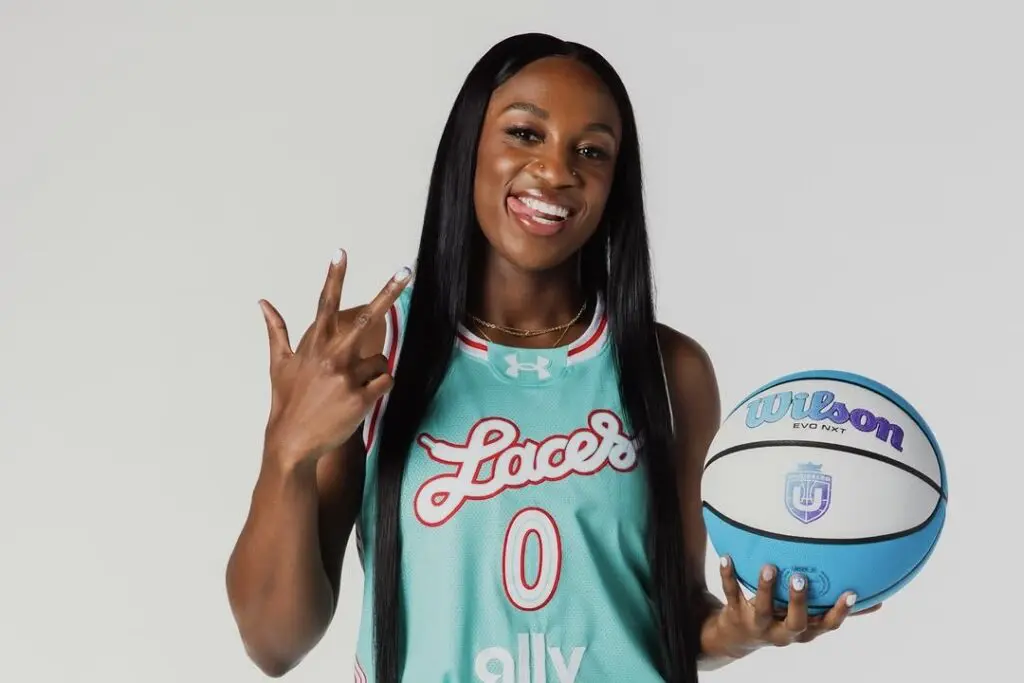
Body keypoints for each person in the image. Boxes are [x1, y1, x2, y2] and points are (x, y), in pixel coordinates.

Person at [225, 32, 878, 683]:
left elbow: (672, 621)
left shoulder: (670, 369)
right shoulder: (370, 350)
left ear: (614, 183)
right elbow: (273, 643)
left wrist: (740, 630)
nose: (558, 170)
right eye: (526, 134)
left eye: (591, 151)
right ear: (468, 147)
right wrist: (288, 453)